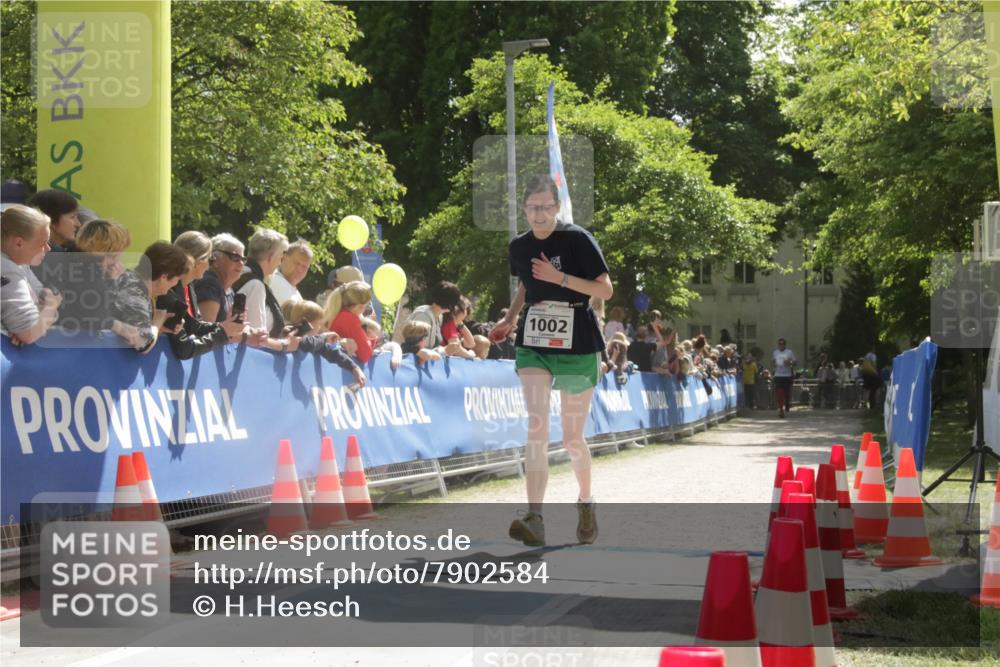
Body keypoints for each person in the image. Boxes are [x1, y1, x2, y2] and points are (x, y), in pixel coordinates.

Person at [490, 174, 613, 547]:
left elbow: (604, 289)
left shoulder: (577, 239)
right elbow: (527, 282)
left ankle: (586, 501)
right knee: (537, 426)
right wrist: (510, 318)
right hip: (536, 340)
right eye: (533, 207)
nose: (539, 214)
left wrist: (560, 278)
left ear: (556, 208)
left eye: (546, 207)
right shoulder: (518, 246)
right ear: (524, 209)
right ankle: (535, 516)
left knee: (573, 437)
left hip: (577, 340)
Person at [164, 231, 247, 359]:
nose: (210, 265)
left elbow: (194, 325)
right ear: (197, 261)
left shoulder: (188, 286)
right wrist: (223, 333)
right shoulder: (168, 291)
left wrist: (225, 325)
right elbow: (184, 349)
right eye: (210, 259)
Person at [112, 241, 190, 353]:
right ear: (164, 276)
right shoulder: (136, 290)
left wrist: (160, 328)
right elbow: (143, 344)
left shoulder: (129, 279)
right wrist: (157, 322)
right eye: (177, 279)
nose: (176, 284)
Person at [1, 205, 62, 344]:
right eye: (43, 243)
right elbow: (30, 333)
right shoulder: (6, 268)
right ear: (19, 243)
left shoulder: (19, 262)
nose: (48, 248)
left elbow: (41, 299)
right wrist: (52, 307)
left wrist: (24, 327)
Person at [234, 229, 289, 338]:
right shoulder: (255, 285)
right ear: (271, 257)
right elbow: (257, 335)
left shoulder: (240, 274)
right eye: (281, 258)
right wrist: (285, 344)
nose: (280, 263)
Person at [195, 233, 246, 323]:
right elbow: (207, 329)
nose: (241, 263)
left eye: (243, 259)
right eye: (235, 257)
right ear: (215, 260)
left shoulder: (228, 290)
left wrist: (250, 333)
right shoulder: (209, 284)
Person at [324, 280, 375, 363]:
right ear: (360, 306)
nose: (365, 309)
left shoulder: (338, 313)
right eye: (366, 306)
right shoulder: (349, 319)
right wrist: (371, 339)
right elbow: (365, 355)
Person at [406, 280, 462, 349]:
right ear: (450, 304)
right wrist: (445, 350)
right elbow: (416, 348)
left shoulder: (439, 317)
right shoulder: (423, 315)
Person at [270, 239, 312, 306]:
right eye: (297, 264)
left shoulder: (293, 290)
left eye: (304, 267)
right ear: (283, 258)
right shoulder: (275, 281)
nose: (300, 270)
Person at [772, 338, 796, 418]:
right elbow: (773, 362)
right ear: (778, 345)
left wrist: (790, 362)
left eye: (782, 344)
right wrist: (774, 364)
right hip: (778, 375)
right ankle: (781, 410)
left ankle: (787, 403)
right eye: (779, 344)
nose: (781, 345)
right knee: (779, 392)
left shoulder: (789, 352)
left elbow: (795, 362)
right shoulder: (775, 352)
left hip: (787, 375)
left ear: (785, 345)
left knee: (786, 393)